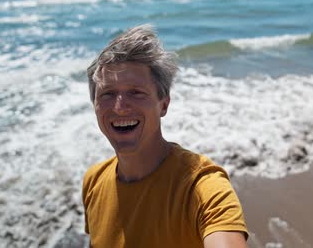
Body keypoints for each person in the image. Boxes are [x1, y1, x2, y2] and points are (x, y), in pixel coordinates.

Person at [82, 24, 248, 248]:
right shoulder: (94, 180)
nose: (120, 107)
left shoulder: (201, 186)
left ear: (164, 104)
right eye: (108, 94)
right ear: (95, 105)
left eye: (136, 92)